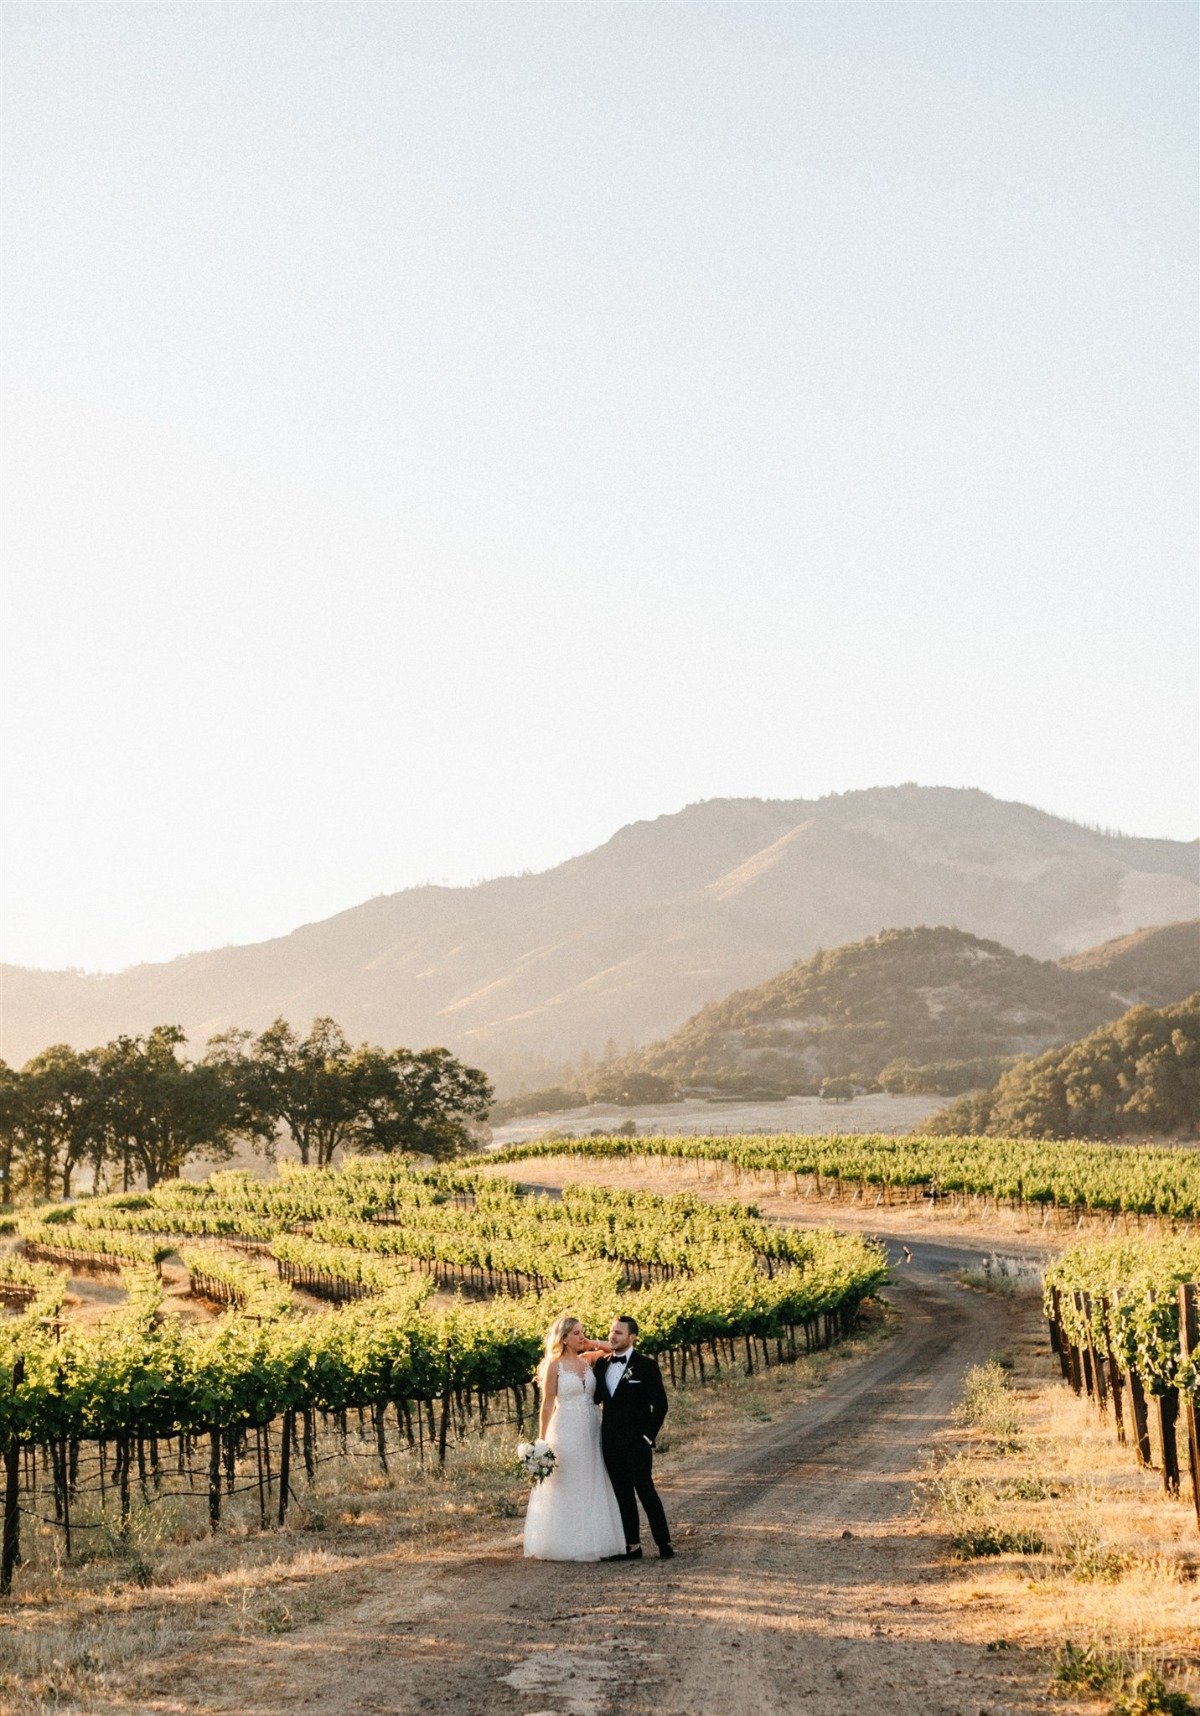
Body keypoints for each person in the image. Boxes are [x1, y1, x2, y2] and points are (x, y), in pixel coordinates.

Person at [522, 1314, 627, 1561]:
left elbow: (613, 1348)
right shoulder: (554, 1365)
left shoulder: (587, 1361)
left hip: (591, 1425)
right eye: (577, 1333)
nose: (581, 1336)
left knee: (592, 1476)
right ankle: (565, 1541)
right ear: (564, 1338)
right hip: (566, 1426)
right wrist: (541, 1439)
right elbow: (547, 1404)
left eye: (582, 1332)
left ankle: (593, 1538)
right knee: (568, 1478)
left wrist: (591, 1342)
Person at [593, 1314, 674, 1560]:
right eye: (611, 1331)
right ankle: (632, 1547)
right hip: (610, 1442)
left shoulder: (646, 1365)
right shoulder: (602, 1364)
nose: (612, 1336)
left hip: (637, 1442)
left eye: (618, 1332)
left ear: (632, 1337)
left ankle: (664, 1543)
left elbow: (660, 1405)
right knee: (622, 1494)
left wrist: (647, 1437)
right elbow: (596, 1398)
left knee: (646, 1490)